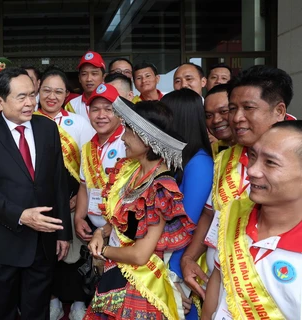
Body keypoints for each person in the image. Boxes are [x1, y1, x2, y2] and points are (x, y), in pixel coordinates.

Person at [180, 65, 293, 302]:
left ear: (279, 110)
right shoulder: (225, 159)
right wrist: (189, 258)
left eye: (248, 108)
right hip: (219, 287)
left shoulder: (297, 159)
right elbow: (211, 215)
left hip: (271, 296)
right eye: (233, 109)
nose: (236, 118)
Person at [0, 67, 71, 320]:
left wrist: (63, 232)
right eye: (21, 97)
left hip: (43, 242)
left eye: (32, 95)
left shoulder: (47, 129)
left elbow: (58, 182)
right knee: (0, 313)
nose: (30, 103)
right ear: (0, 100)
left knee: (37, 313)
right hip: (5, 243)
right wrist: (21, 215)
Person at [84, 98, 195, 320]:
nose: (123, 137)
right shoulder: (131, 170)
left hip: (139, 285)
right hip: (117, 273)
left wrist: (101, 252)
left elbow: (139, 254)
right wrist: (100, 232)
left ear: (147, 139)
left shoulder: (161, 188)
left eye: (128, 131)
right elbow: (125, 223)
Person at [202, 121, 302, 320]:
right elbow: (218, 283)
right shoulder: (234, 215)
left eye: (270, 163)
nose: (253, 171)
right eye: (253, 156)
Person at [34, 67, 94, 320]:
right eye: (46, 90)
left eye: (58, 91)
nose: (52, 96)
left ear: (67, 95)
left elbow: (90, 165)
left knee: (74, 254)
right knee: (44, 256)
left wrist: (79, 198)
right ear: (37, 91)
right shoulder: (28, 120)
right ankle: (52, 299)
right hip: (38, 202)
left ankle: (79, 301)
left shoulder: (78, 122)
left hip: (71, 200)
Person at [160, 88, 214, 319]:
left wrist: (170, 273)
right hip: (167, 252)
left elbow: (186, 223)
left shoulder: (199, 162)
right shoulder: (178, 158)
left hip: (179, 258)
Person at [73, 84, 126, 243]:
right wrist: (78, 218)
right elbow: (84, 186)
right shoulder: (88, 147)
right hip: (95, 229)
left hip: (121, 231)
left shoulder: (128, 143)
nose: (101, 115)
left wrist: (105, 230)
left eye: (108, 109)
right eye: (95, 109)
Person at [65, 51, 105, 123]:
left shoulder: (113, 103)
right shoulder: (71, 105)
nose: (89, 79)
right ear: (79, 78)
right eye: (84, 74)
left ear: (103, 78)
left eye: (94, 74)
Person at [204, 84, 235, 157]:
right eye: (209, 115)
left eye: (223, 111)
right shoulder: (209, 152)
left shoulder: (255, 151)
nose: (216, 120)